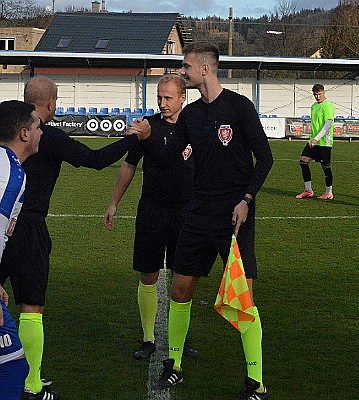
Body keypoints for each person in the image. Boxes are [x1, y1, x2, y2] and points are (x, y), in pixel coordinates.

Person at [131, 41, 274, 400]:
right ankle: (174, 365)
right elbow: (166, 151)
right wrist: (145, 137)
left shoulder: (240, 107)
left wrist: (246, 200)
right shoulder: (192, 115)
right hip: (197, 215)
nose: (183, 72)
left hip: (235, 218)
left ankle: (256, 383)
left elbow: (266, 159)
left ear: (205, 69)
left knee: (244, 301)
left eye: (186, 67)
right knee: (180, 291)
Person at [0, 76, 138, 400]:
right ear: (48, 103)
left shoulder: (6, 128)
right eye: (56, 99)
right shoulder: (46, 136)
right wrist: (132, 139)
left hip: (5, 224)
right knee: (31, 307)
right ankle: (31, 386)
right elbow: (96, 160)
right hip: (27, 227)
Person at [104, 74, 197, 360]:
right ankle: (148, 338)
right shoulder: (148, 125)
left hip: (186, 211)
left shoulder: (193, 127)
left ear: (183, 97)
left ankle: (180, 337)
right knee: (149, 273)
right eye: (159, 97)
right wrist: (114, 203)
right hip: (152, 210)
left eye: (168, 97)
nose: (163, 102)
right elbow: (129, 166)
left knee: (185, 278)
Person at [0, 100, 43, 400]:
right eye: (38, 126)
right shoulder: (9, 174)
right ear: (24, 134)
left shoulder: (8, 166)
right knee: (13, 368)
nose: (42, 132)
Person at [296, 83, 335, 200]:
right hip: (313, 141)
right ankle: (308, 190)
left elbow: (328, 125)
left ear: (324, 92)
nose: (317, 97)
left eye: (319, 94)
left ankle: (329, 193)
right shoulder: (313, 106)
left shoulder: (328, 105)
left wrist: (316, 138)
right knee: (303, 161)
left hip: (324, 142)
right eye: (315, 95)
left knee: (325, 167)